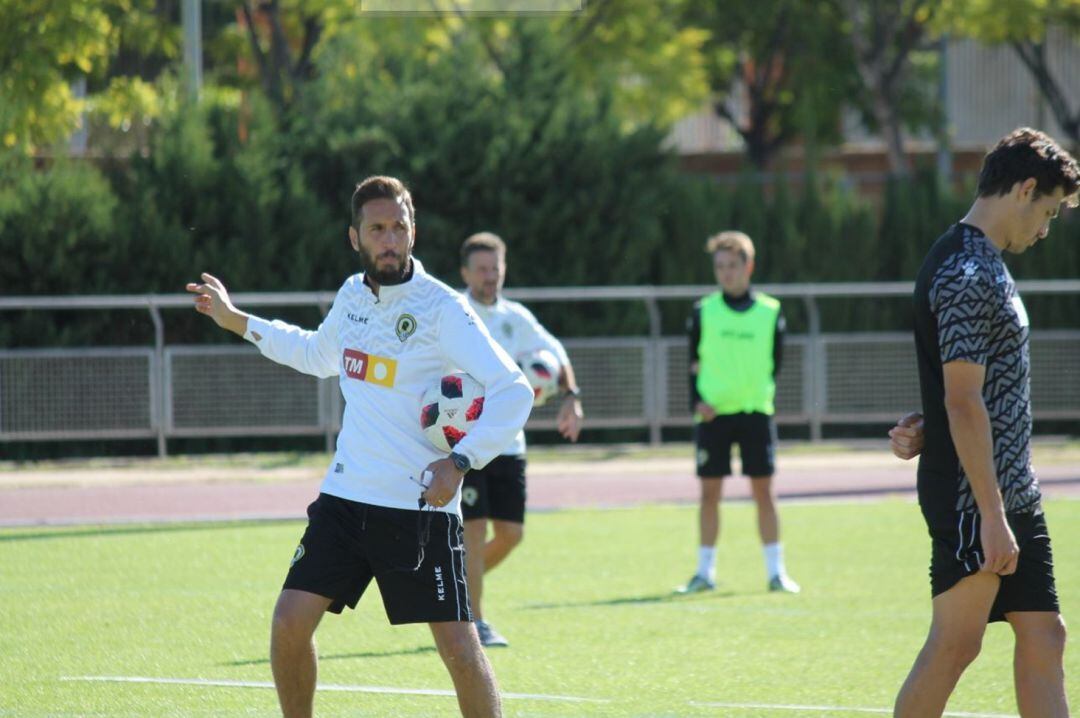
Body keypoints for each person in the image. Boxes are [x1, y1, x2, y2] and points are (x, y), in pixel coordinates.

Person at [186, 176, 534, 718]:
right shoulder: (350, 296)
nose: (390, 238)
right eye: (377, 229)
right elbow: (314, 353)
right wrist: (235, 320)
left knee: (460, 650)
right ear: (356, 237)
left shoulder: (441, 307)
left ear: (413, 230)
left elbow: (514, 388)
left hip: (419, 507)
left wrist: (461, 461)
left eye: (399, 227)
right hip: (346, 500)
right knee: (289, 623)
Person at [890, 128, 1077, 718]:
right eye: (1047, 211)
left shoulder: (982, 264)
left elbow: (965, 390)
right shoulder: (966, 272)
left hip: (1011, 488)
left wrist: (926, 425)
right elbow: (964, 401)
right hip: (978, 499)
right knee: (956, 644)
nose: (1045, 229)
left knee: (1046, 635)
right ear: (1024, 189)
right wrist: (993, 517)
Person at [457, 232, 584, 647]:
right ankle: (475, 620)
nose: (490, 276)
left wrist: (571, 398)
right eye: (481, 269)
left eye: (496, 268)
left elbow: (557, 353)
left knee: (512, 534)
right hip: (469, 442)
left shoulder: (517, 317)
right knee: (472, 532)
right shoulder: (454, 313)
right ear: (465, 273)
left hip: (509, 444)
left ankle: (459, 585)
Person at [678, 231, 799, 595]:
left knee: (764, 492)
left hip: (755, 414)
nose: (726, 273)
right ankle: (704, 572)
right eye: (720, 267)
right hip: (713, 417)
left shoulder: (771, 312)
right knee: (709, 494)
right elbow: (692, 363)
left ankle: (777, 572)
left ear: (749, 266)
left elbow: (775, 362)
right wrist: (696, 402)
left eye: (733, 265)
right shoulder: (703, 311)